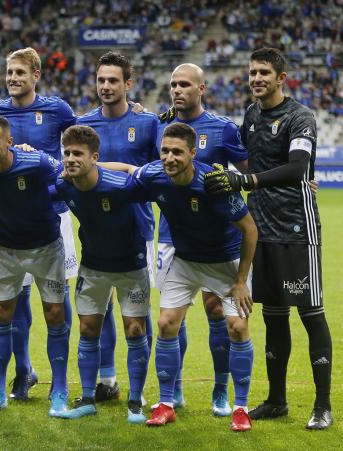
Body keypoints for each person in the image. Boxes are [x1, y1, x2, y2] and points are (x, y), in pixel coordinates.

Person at [204, 47, 333, 430]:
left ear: (281, 77)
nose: (257, 78)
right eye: (253, 72)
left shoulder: (299, 117)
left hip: (298, 229)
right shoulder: (251, 113)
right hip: (261, 229)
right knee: (275, 318)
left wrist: (248, 181)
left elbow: (297, 167)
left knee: (311, 315)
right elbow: (234, 149)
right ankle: (277, 400)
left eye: (264, 73)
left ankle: (322, 405)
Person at [102, 122, 257, 432]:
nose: (169, 158)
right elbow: (127, 173)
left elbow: (250, 230)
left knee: (237, 327)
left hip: (224, 261)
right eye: (164, 151)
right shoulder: (155, 174)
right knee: (165, 323)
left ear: (192, 152)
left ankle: (240, 408)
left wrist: (240, 280)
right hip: (185, 261)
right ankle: (167, 403)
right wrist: (88, 166)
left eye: (176, 152)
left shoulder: (213, 183)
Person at [152, 63, 249, 415]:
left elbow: (249, 171)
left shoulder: (222, 129)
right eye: (173, 84)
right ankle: (173, 391)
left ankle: (221, 391)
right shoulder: (159, 125)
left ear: (202, 89)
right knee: (170, 316)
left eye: (185, 84)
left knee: (214, 311)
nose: (177, 90)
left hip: (214, 240)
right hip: (169, 236)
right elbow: (148, 169)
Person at [0, 47, 77, 400]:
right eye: (9, 72)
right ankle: (23, 371)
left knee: (57, 299)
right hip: (11, 220)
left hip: (54, 216)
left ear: (35, 75)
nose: (12, 79)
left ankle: (60, 378)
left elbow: (82, 143)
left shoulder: (58, 110)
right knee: (15, 299)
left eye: (20, 73)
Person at [0, 115, 70, 417]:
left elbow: (66, 177)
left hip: (47, 248)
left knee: (54, 314)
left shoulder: (36, 162)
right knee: (0, 313)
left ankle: (60, 390)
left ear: (9, 142)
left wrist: (41, 198)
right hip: (7, 249)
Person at [52, 125, 150, 424]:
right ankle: (86, 398)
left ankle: (135, 401)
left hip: (131, 265)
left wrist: (131, 167)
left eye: (77, 154)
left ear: (94, 157)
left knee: (135, 330)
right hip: (93, 266)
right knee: (87, 330)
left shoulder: (121, 186)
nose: (70, 159)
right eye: (67, 153)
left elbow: (149, 181)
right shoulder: (63, 185)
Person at [76, 51, 158, 403]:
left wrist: (110, 169)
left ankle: (141, 389)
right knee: (99, 311)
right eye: (101, 80)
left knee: (137, 315)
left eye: (113, 80)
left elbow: (159, 170)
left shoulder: (148, 123)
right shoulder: (83, 125)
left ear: (128, 84)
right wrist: (119, 168)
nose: (106, 86)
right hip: (95, 232)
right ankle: (106, 379)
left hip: (136, 230)